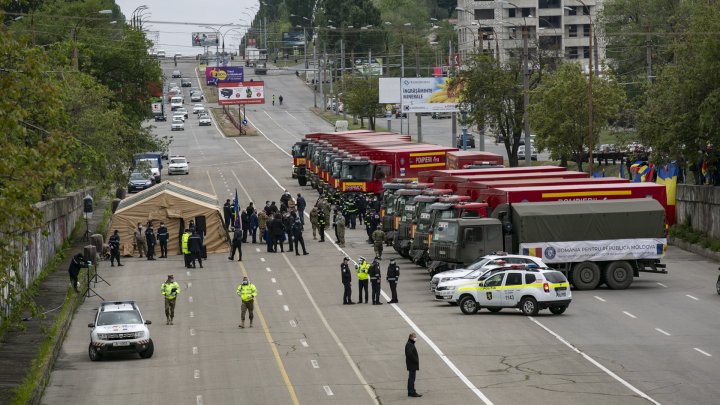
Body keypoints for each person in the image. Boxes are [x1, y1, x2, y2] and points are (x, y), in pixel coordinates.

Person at [405, 333, 422, 397]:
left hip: (411, 364)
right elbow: (409, 354)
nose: (415, 338)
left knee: (411, 378)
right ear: (411, 337)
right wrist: (415, 360)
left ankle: (410, 392)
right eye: (414, 337)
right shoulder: (410, 345)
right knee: (412, 379)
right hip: (412, 364)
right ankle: (412, 392)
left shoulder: (410, 344)